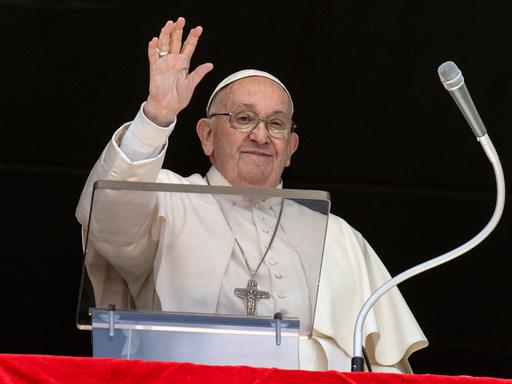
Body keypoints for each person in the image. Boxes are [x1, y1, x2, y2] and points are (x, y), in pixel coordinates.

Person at [76, 17, 428, 372]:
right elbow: (107, 222)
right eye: (243, 119)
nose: (261, 136)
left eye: (276, 124)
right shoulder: (167, 202)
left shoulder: (338, 236)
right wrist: (157, 117)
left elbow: (385, 368)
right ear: (207, 136)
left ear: (290, 147)